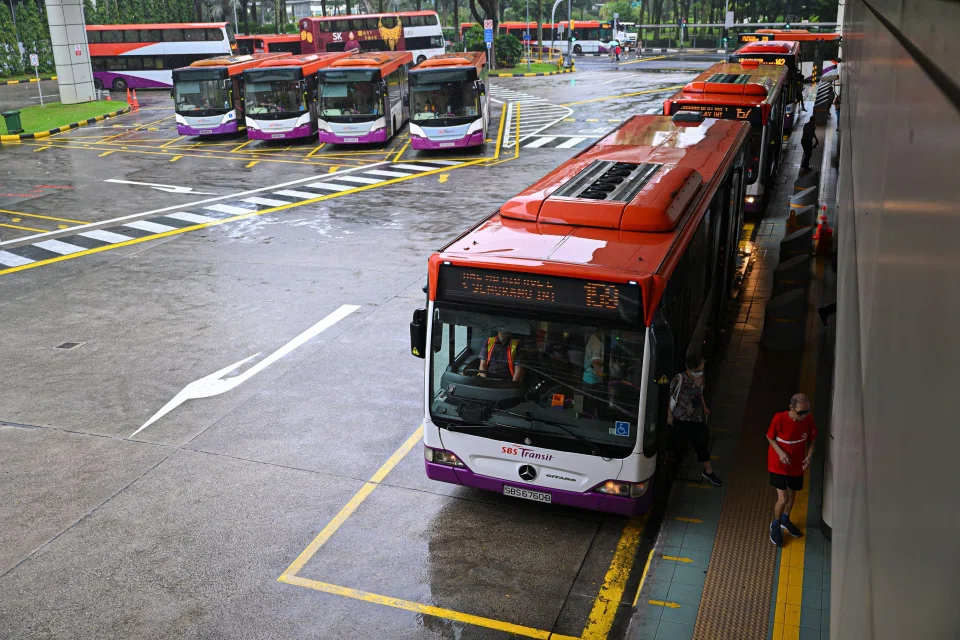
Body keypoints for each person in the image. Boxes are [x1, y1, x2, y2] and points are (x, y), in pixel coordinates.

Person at [766, 393, 817, 546]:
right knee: (783, 499)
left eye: (807, 411)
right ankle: (775, 524)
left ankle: (785, 519)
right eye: (801, 412)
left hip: (797, 464)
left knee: (792, 493)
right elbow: (770, 437)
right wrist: (780, 453)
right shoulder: (779, 418)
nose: (805, 415)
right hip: (779, 464)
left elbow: (812, 439)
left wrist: (809, 456)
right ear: (791, 408)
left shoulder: (808, 419)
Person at [668, 354, 722, 485]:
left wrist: (704, 407)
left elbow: (699, 393)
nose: (700, 372)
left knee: (702, 443)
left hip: (697, 418)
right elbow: (668, 396)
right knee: (677, 444)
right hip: (681, 418)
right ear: (690, 368)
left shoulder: (701, 377)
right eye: (698, 369)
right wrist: (669, 415)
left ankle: (708, 471)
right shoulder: (679, 378)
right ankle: (670, 471)